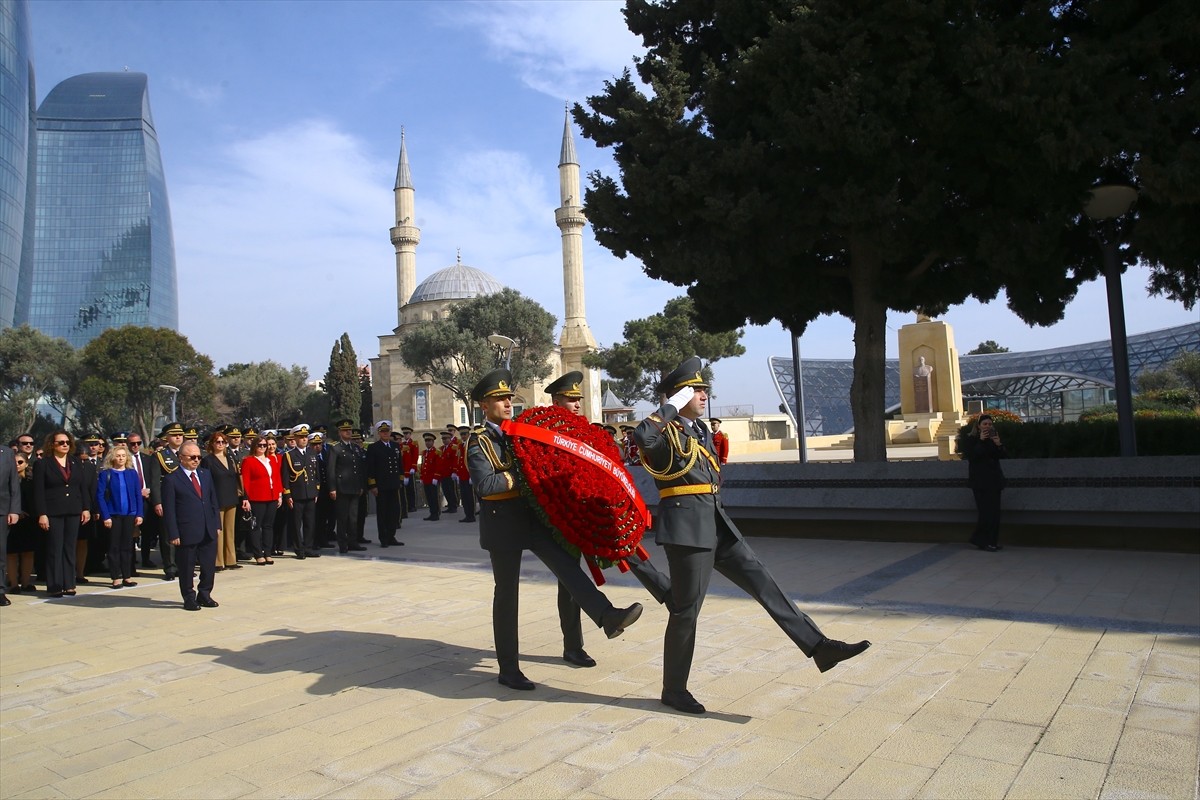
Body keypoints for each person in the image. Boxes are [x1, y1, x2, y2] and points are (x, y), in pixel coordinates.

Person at [634, 357, 871, 714]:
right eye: (695, 390)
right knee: (686, 611)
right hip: (688, 532)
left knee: (765, 584)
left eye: (703, 389)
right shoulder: (665, 431)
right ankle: (674, 688)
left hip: (717, 524)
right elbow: (643, 437)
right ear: (678, 396)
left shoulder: (700, 431)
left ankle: (818, 646)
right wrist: (669, 406)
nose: (703, 395)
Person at [468, 367, 644, 691]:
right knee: (507, 595)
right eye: (499, 399)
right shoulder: (479, 442)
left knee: (568, 568)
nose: (507, 403)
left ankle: (607, 617)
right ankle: (509, 669)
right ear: (483, 405)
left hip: (532, 520)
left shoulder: (522, 433)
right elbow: (486, 485)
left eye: (508, 397)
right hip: (501, 523)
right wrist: (526, 476)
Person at [543, 370, 674, 669]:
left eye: (578, 398)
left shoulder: (584, 428)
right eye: (570, 399)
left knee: (624, 542)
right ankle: (573, 646)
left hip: (591, 505)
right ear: (556, 400)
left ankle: (667, 592)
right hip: (564, 513)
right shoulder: (548, 431)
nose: (577, 403)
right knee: (570, 581)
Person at [32, 430, 95, 598]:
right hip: (53, 512)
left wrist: (85, 508)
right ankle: (54, 584)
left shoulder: (74, 462)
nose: (65, 445)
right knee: (55, 548)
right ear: (52, 444)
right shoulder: (43, 464)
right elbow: (38, 492)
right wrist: (42, 514)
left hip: (73, 510)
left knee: (69, 547)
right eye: (61, 442)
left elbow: (82, 488)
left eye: (67, 442)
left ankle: (69, 583)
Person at [161, 442, 220, 611]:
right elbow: (169, 510)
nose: (196, 460)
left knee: (208, 566)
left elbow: (213, 501)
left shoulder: (205, 474)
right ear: (181, 458)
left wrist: (216, 523)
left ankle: (205, 594)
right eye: (192, 457)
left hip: (208, 528)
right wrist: (173, 533)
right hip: (186, 530)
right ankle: (189, 597)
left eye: (198, 457)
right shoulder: (171, 479)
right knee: (186, 567)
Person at [95, 444, 143, 589]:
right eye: (118, 455)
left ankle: (127, 576)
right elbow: (100, 496)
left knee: (127, 546)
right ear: (112, 457)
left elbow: (137, 494)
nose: (121, 458)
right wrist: (106, 516)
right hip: (113, 515)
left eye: (123, 455)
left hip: (129, 514)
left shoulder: (132, 473)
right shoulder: (106, 474)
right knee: (114, 546)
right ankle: (115, 577)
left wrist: (139, 513)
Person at [147, 422, 185, 580]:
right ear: (167, 437)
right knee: (168, 535)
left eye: (180, 434)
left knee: (184, 533)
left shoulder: (188, 453)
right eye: (174, 435)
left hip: (184, 500)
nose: (178, 437)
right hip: (167, 499)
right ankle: (169, 567)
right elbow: (155, 482)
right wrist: (157, 502)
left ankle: (182, 565)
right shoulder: (160, 456)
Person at [963, 414, 1007, 552]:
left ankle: (991, 541)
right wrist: (981, 441)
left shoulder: (993, 440)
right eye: (985, 424)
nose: (987, 426)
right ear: (978, 426)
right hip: (980, 482)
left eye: (989, 424)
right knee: (986, 513)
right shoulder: (971, 440)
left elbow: (1002, 456)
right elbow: (972, 456)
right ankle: (982, 540)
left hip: (994, 481)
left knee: (995, 513)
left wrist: (999, 444)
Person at [201, 432, 242, 570]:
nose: (220, 445)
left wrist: (243, 495)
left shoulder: (230, 457)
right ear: (212, 444)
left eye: (223, 442)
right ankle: (218, 562)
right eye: (217, 442)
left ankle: (231, 560)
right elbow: (206, 481)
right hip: (217, 499)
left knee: (230, 531)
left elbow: (237, 477)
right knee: (218, 531)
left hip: (231, 497)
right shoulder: (208, 460)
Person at [326, 419, 367, 554]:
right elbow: (331, 470)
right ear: (340, 433)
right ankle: (343, 544)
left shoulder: (355, 447)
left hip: (354, 487)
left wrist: (361, 485)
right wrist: (332, 488)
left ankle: (353, 541)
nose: (348, 432)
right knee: (342, 518)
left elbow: (359, 468)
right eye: (345, 430)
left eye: (349, 430)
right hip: (342, 488)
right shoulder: (336, 448)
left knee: (353, 517)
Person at [281, 424, 321, 559]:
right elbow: (285, 477)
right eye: (301, 437)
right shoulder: (289, 455)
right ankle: (299, 549)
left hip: (310, 493)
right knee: (296, 524)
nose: (304, 439)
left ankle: (308, 547)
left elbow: (316, 475)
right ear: (295, 438)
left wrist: (316, 490)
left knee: (310, 522)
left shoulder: (311, 453)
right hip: (297, 495)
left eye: (305, 437)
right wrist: (288, 495)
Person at [239, 435, 280, 565]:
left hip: (272, 497)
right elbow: (245, 481)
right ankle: (258, 554)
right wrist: (246, 498)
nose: (262, 447)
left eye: (265, 445)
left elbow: (277, 477)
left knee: (268, 526)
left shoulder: (271, 460)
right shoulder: (249, 460)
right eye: (260, 445)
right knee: (256, 526)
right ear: (254, 446)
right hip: (257, 498)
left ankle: (268, 552)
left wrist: (279, 494)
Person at [365, 421, 404, 546]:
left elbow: (399, 465)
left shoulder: (395, 446)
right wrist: (372, 485)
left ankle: (392, 536)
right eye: (383, 431)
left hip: (393, 484)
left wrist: (401, 480)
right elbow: (370, 468)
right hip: (381, 486)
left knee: (394, 511)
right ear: (379, 433)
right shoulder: (373, 447)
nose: (385, 433)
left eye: (387, 431)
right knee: (383, 513)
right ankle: (384, 538)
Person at [6, 452, 37, 595]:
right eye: (15, 462)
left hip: (28, 521)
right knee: (11, 554)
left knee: (28, 552)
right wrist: (16, 511)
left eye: (20, 462)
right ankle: (13, 583)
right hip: (10, 520)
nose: (17, 465)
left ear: (26, 464)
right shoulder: (4, 480)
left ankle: (26, 582)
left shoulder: (31, 481)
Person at [0, 446, 20, 606]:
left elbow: (14, 483)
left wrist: (14, 510)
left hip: (2, 510)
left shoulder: (6, 453)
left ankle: (0, 590)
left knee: (0, 553)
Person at [419, 432, 442, 521]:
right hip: (426, 478)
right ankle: (432, 512)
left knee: (434, 497)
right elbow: (423, 465)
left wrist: (436, 477)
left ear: (433, 442)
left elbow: (439, 466)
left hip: (433, 478)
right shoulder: (424, 453)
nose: (428, 443)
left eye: (429, 441)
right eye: (426, 441)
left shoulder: (437, 452)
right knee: (428, 497)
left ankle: (436, 513)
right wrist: (421, 476)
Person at [455, 426, 476, 522]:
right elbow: (459, 461)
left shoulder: (471, 444)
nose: (463, 436)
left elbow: (473, 461)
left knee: (470, 496)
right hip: (462, 475)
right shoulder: (460, 445)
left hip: (469, 475)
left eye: (465, 434)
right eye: (461, 434)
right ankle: (467, 514)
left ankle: (471, 515)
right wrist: (458, 474)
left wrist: (472, 474)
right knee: (464, 497)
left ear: (468, 434)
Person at [398, 426, 420, 515]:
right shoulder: (402, 445)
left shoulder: (414, 443)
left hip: (410, 469)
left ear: (410, 434)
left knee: (411, 488)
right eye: (404, 434)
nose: (406, 435)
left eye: (407, 433)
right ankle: (407, 505)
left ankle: (412, 505)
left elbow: (415, 456)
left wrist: (413, 467)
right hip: (404, 470)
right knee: (405, 489)